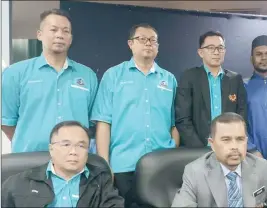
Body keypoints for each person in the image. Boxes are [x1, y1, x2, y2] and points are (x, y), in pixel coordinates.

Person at [91, 24, 179, 207]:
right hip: (124, 165)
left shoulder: (169, 79)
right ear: (130, 44)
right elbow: (103, 123)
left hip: (161, 165)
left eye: (153, 40)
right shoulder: (113, 76)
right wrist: (105, 164)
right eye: (142, 39)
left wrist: (172, 150)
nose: (148, 43)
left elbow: (175, 124)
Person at [1, 9, 98, 153]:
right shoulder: (15, 73)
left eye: (66, 31)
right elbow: (6, 122)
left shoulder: (88, 75)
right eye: (53, 30)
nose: (59, 35)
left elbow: (92, 122)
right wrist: (29, 140)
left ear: (71, 38)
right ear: (39, 34)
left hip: (74, 161)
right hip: (30, 159)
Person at [172, 112, 267, 207]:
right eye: (226, 140)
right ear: (212, 144)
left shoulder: (261, 166)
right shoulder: (195, 172)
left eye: (240, 139)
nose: (234, 146)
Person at [1, 121, 124, 207]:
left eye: (81, 146)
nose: (73, 152)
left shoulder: (101, 180)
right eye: (66, 145)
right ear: (51, 149)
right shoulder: (20, 182)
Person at [175, 31, 247, 147]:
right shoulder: (189, 77)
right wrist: (199, 148)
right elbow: (182, 119)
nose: (216, 52)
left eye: (220, 48)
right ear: (200, 52)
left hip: (229, 147)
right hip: (198, 148)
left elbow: (241, 115)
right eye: (211, 48)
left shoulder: (235, 79)